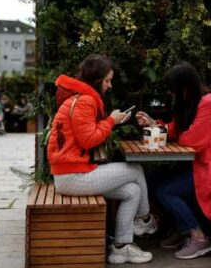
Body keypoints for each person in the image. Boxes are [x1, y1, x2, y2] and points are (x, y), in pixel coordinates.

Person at [47, 54, 158, 264]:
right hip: (73, 176)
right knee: (135, 170)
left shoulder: (79, 99)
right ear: (97, 80)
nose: (110, 85)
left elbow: (85, 134)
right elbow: (89, 140)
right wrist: (110, 120)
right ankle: (144, 220)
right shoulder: (85, 101)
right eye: (107, 80)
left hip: (71, 173)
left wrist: (112, 121)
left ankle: (121, 247)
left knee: (132, 191)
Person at [136, 61, 211, 260]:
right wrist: (154, 124)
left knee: (166, 191)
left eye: (173, 89)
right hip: (198, 164)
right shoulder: (192, 103)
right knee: (153, 180)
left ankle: (199, 238)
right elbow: (177, 129)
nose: (170, 94)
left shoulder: (210, 103)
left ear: (185, 86)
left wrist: (178, 133)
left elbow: (193, 141)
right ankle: (181, 228)